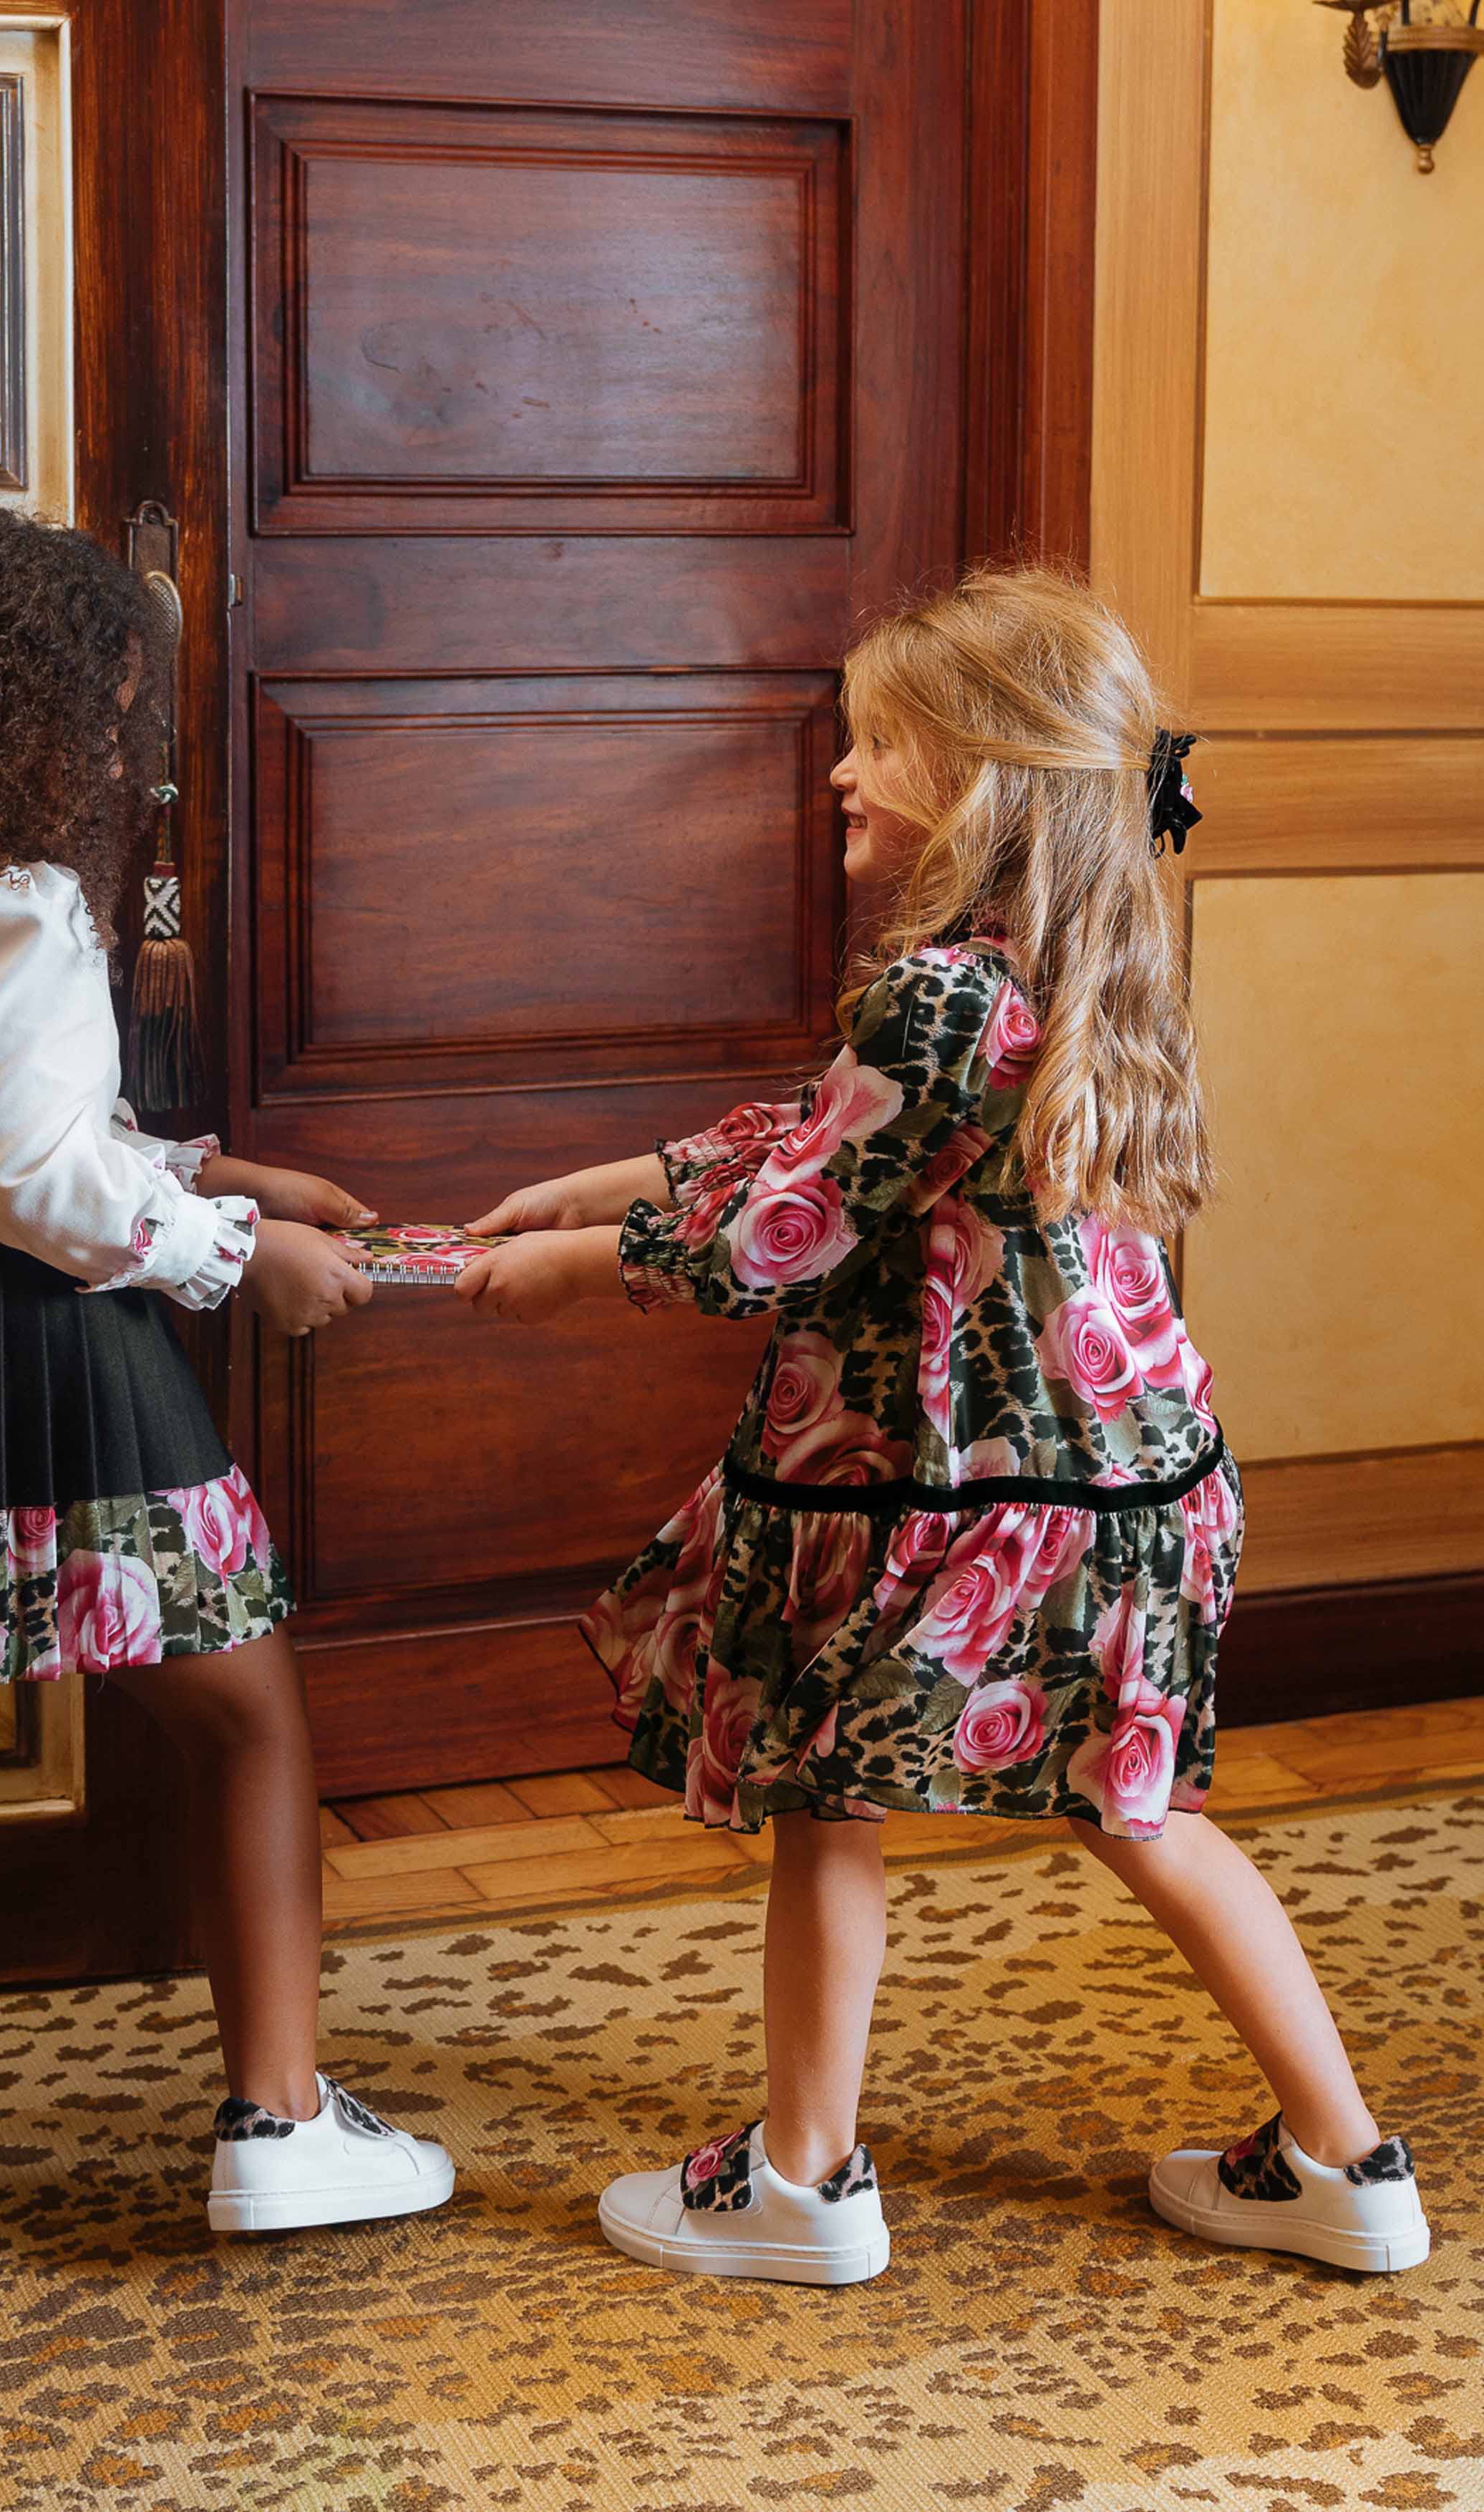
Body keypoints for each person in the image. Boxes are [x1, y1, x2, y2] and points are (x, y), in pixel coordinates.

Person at [455, 566, 1426, 2287]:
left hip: (939, 1485)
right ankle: (1347, 2162)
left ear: (973, 775)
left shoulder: (942, 994)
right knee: (1141, 1805)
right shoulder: (1078, 962)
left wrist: (583, 1267)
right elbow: (834, 1135)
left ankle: (801, 2179)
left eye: (876, 743)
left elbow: (789, 1230)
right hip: (1125, 1482)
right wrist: (616, 1179)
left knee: (826, 1794)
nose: (840, 772)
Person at [0, 492, 452, 2260]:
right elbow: (38, 1185)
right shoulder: (32, 895)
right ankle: (282, 2119)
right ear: (12, 700)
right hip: (38, 1332)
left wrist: (222, 1173)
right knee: (243, 1715)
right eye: (106, 708)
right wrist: (241, 1258)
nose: (122, 746)